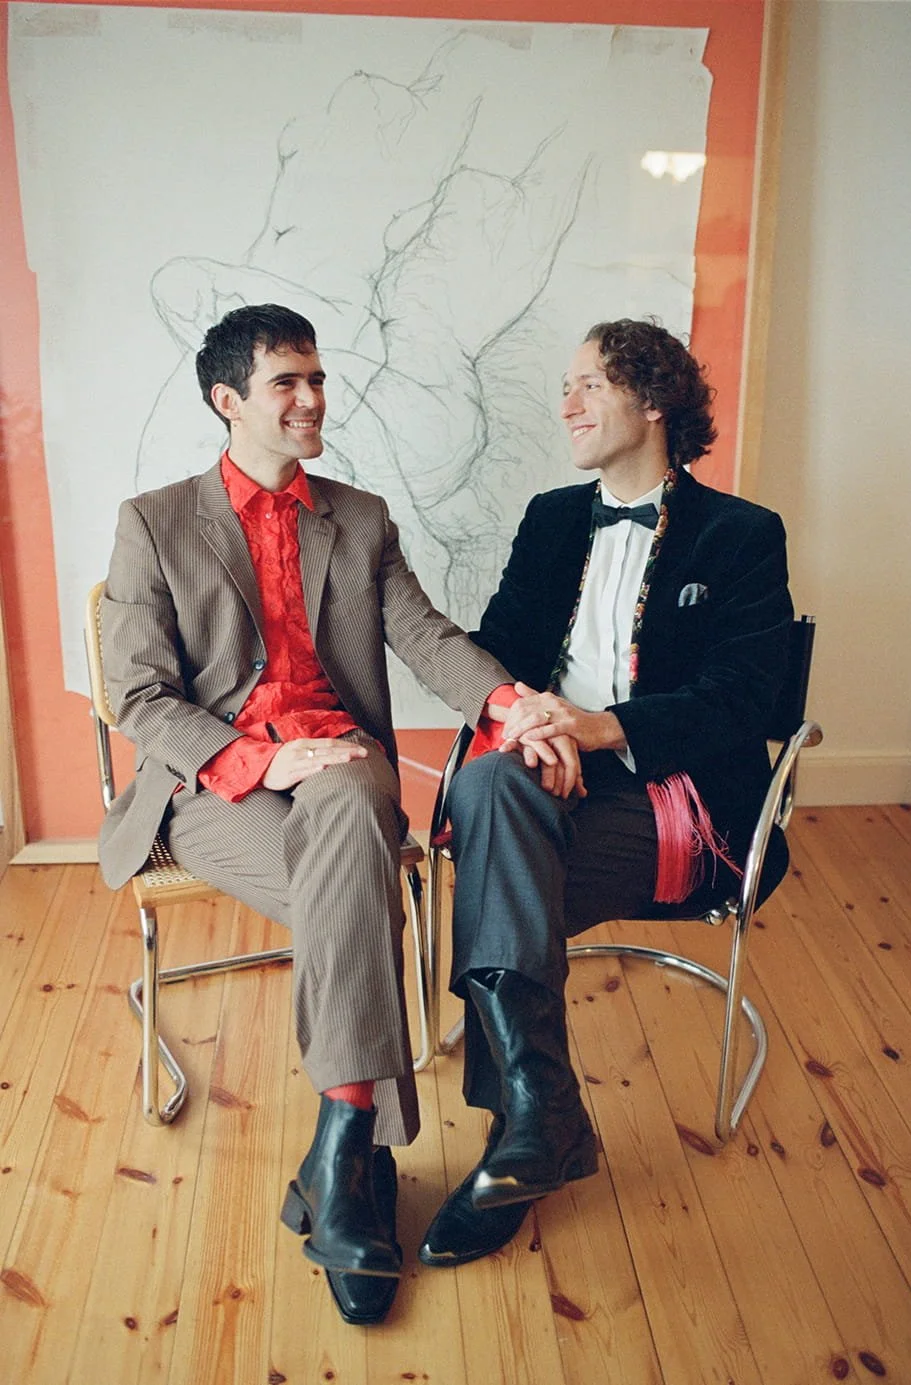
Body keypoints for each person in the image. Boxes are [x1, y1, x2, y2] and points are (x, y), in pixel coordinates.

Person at [97, 303, 518, 1327]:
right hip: (213, 787)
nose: (312, 397)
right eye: (287, 381)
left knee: (343, 796)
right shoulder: (153, 521)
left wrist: (508, 702)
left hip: (341, 768)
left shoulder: (361, 516)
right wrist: (261, 751)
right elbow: (142, 696)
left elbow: (421, 632)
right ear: (228, 399)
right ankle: (357, 1156)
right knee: (358, 875)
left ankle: (342, 1144)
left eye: (317, 378)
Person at [418, 318, 794, 1269]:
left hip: (678, 801)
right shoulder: (551, 516)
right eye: (568, 385)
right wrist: (530, 719)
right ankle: (539, 1124)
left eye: (588, 384)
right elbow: (501, 646)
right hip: (541, 784)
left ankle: (526, 1129)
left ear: (653, 401)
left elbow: (745, 696)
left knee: (497, 867)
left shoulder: (741, 535)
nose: (566, 404)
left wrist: (595, 729)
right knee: (497, 783)